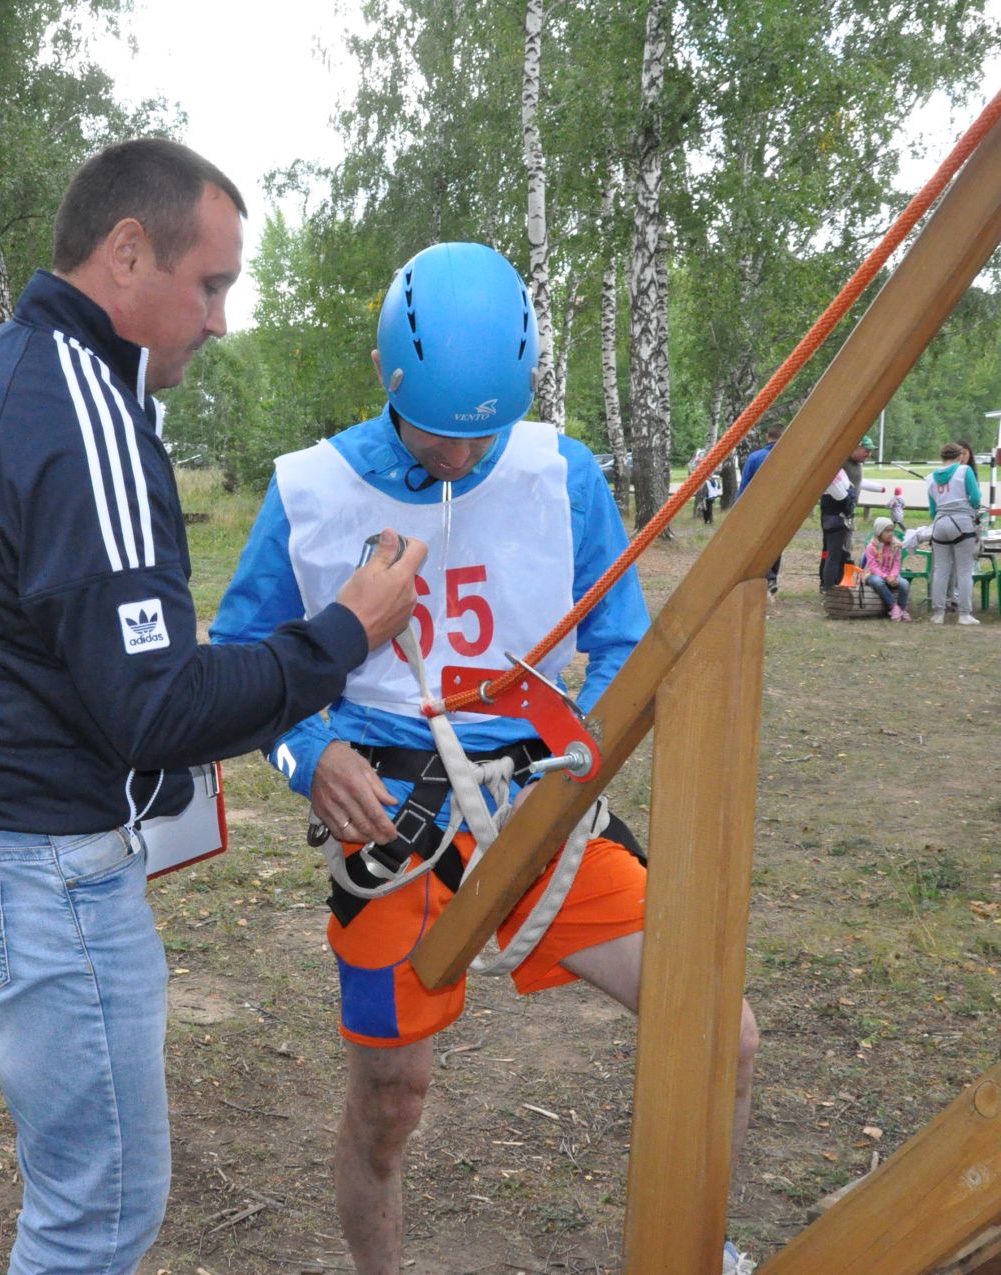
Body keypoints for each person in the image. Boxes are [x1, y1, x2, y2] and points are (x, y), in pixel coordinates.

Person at [0, 139, 428, 1275]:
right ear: (128, 254)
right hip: (35, 866)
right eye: (210, 284)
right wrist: (343, 635)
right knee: (99, 1212)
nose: (219, 321)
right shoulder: (86, 417)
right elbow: (157, 707)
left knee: (82, 1196)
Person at [212, 242, 761, 1275]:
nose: (462, 460)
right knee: (389, 1102)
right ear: (389, 379)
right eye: (440, 434)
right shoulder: (312, 492)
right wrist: (312, 756)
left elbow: (621, 643)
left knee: (721, 1033)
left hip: (543, 807)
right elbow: (242, 663)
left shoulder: (562, 474)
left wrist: (575, 762)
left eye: (484, 433)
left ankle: (702, 1250)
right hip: (394, 824)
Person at [925, 441, 983, 626]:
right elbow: (976, 497)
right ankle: (964, 614)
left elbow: (933, 510)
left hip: (940, 523)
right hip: (962, 522)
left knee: (941, 569)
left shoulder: (932, 478)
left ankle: (938, 613)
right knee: (965, 570)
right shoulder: (965, 471)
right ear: (960, 456)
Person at [820, 436, 882, 590]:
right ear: (854, 447)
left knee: (841, 553)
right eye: (865, 451)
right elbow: (835, 484)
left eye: (870, 452)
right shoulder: (841, 462)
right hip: (838, 512)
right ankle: (829, 587)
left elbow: (856, 482)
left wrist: (877, 487)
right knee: (835, 553)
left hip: (846, 512)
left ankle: (838, 584)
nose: (868, 455)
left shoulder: (857, 464)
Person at [741, 423, 784, 595]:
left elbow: (744, 485)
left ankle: (765, 577)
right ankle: (772, 578)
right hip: (780, 507)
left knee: (756, 544)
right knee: (775, 543)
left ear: (768, 437)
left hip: (756, 509)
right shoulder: (789, 458)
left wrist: (739, 508)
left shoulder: (755, 457)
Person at [862, 517, 913, 620]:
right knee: (878, 582)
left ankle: (902, 609)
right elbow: (873, 567)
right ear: (879, 532)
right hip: (873, 574)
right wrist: (886, 577)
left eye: (892, 531)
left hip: (891, 574)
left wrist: (893, 576)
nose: (890, 533)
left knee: (904, 584)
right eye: (887, 531)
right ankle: (893, 606)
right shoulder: (871, 547)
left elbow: (896, 563)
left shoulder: (895, 545)